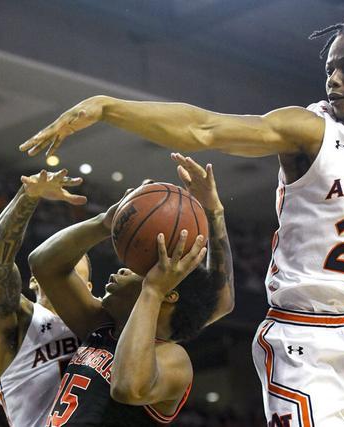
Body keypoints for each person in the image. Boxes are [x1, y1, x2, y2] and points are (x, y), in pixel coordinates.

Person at [20, 11, 344, 427]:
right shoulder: (311, 129)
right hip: (306, 339)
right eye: (329, 69)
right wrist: (108, 108)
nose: (333, 79)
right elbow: (204, 129)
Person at [28, 155, 234, 426]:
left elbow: (128, 388)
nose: (122, 270)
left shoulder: (173, 358)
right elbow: (42, 263)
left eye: (139, 269)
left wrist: (152, 290)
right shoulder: (101, 326)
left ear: (169, 292)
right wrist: (105, 222)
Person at [0, 169, 93, 427]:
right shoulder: (20, 319)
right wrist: (28, 196)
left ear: (89, 286)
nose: (61, 268)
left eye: (71, 265)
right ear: (33, 280)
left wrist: (208, 211)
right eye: (55, 264)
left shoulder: (107, 323)